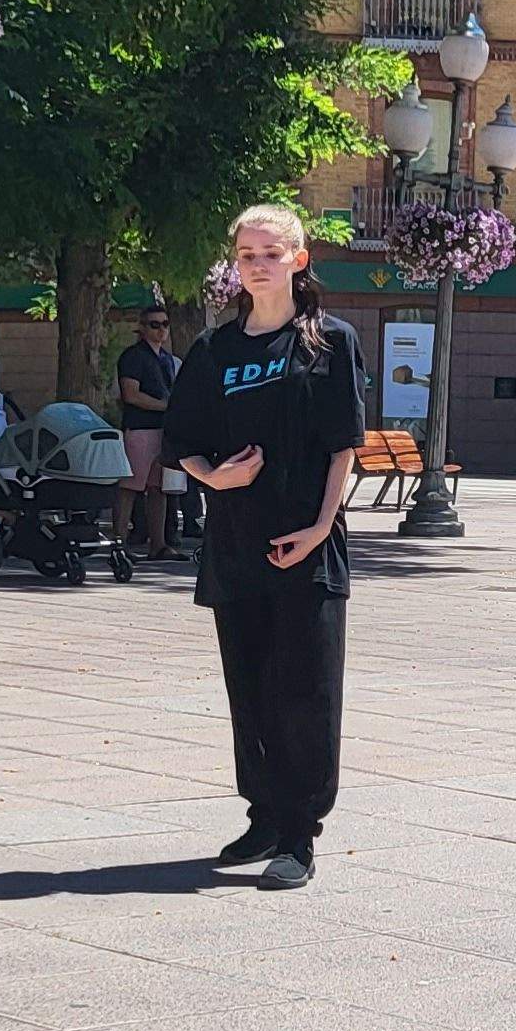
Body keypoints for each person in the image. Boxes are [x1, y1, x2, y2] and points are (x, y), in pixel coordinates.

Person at [165, 206, 367, 889]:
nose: (257, 264)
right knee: (248, 689)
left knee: (306, 691)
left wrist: (320, 527)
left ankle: (300, 834)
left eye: (271, 253)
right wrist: (214, 477)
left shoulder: (329, 341)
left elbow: (342, 448)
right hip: (235, 541)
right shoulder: (214, 349)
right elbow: (183, 442)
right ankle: (264, 817)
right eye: (247, 254)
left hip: (306, 542)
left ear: (298, 260)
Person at [113, 304, 181, 559]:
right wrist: (166, 406)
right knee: (129, 487)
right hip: (139, 429)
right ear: (142, 328)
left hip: (162, 430)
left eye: (165, 324)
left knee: (158, 488)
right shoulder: (133, 357)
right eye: (154, 324)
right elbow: (131, 395)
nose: (161, 329)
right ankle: (119, 543)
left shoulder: (167, 359)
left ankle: (158, 545)